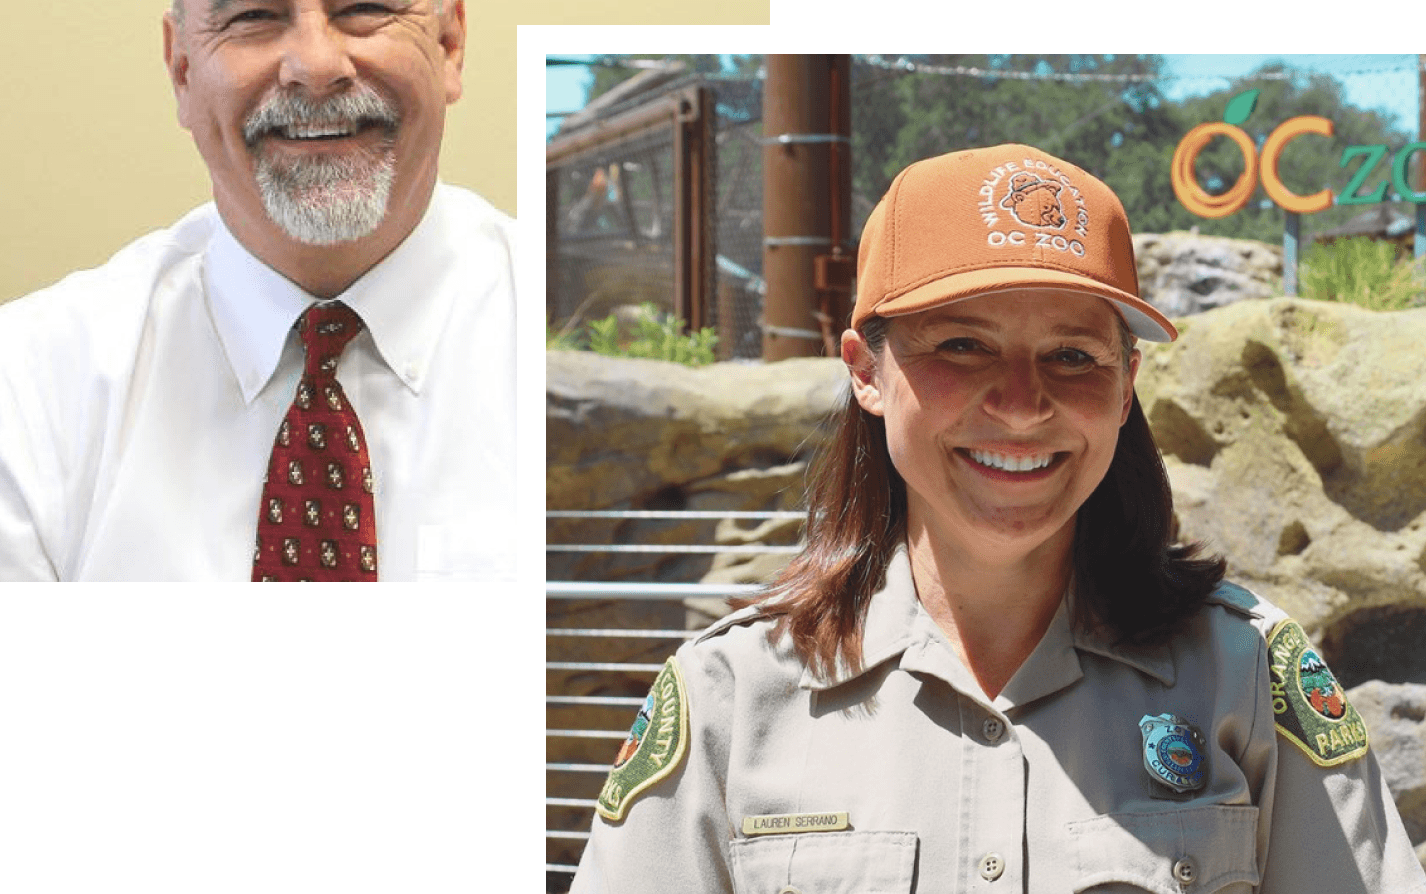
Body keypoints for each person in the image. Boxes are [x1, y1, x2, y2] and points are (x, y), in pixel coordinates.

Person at [573, 144, 1425, 892]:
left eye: (1071, 356)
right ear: (866, 370)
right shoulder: (731, 698)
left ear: (1126, 387)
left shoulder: (1248, 677)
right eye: (962, 345)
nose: (1022, 405)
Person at [0, 0, 516, 581]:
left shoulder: (564, 344)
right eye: (254, 16)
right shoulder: (21, 387)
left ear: (449, 45)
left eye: (365, 8)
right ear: (182, 70)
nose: (316, 64)